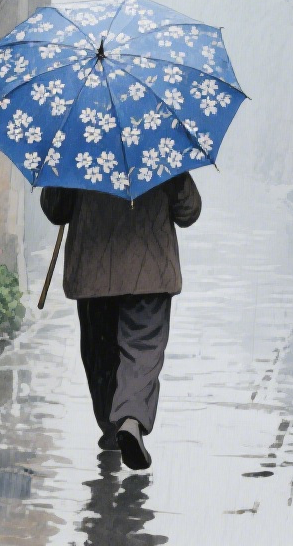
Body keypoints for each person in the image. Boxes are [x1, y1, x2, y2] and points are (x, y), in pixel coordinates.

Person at [39, 172, 201, 471]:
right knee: (142, 350)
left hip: (92, 271)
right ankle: (131, 419)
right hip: (150, 271)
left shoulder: (77, 146)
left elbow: (55, 210)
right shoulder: (159, 142)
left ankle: (112, 428)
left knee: (99, 353)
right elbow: (188, 212)